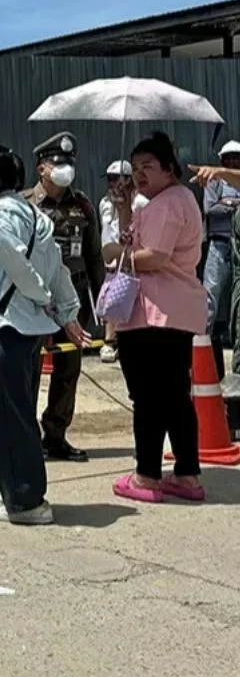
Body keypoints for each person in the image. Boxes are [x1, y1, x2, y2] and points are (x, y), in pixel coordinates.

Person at [0, 143, 87, 525]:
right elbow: (58, 268)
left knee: (8, 417)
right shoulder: (32, 214)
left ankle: (26, 501)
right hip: (32, 331)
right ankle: (16, 488)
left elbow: (18, 267)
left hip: (10, 327)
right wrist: (66, 312)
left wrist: (44, 298)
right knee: (21, 413)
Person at [104, 132, 208, 503]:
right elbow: (137, 241)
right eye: (135, 168)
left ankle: (146, 476)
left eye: (147, 166)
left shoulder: (168, 203)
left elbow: (155, 257)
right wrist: (124, 209)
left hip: (154, 313)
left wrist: (117, 258)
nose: (139, 174)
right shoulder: (169, 201)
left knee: (148, 397)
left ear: (169, 168)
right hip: (168, 311)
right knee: (174, 396)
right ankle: (186, 474)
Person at [27, 131, 104, 462]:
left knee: (68, 370)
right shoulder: (26, 205)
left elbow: (94, 257)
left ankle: (55, 435)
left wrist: (103, 303)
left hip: (75, 298)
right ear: (42, 168)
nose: (65, 169)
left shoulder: (83, 205)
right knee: (29, 369)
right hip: (36, 300)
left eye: (69, 163)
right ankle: (26, 437)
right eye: (58, 163)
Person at [97, 161, 148, 363]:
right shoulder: (104, 202)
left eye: (116, 179)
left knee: (129, 302)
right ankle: (109, 341)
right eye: (109, 180)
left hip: (131, 259)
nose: (112, 184)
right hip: (111, 259)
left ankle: (121, 341)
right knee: (111, 301)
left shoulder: (140, 202)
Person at [201, 141, 240, 367]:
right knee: (210, 295)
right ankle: (201, 343)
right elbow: (210, 209)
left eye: (236, 157)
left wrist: (228, 203)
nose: (233, 161)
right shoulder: (214, 180)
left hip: (238, 245)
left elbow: (221, 206)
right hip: (219, 243)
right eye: (228, 158)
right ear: (221, 161)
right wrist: (235, 205)